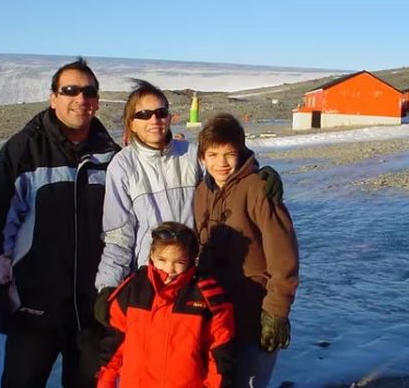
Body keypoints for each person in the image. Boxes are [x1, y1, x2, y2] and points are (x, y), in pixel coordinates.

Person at [0, 57, 120, 387]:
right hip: (34, 308)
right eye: (70, 90)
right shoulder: (23, 150)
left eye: (89, 92)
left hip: (92, 311)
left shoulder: (111, 156)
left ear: (97, 101)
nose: (80, 98)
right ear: (53, 97)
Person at [93, 79, 282, 317]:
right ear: (131, 122)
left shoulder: (190, 154)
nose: (154, 119)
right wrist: (107, 286)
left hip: (195, 279)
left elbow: (226, 178)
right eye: (144, 114)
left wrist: (255, 172)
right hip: (152, 279)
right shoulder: (122, 166)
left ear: (169, 117)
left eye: (161, 112)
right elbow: (119, 238)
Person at [194, 113, 299, 388]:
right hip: (215, 314)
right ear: (202, 157)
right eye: (213, 155)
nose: (221, 163)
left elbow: (283, 256)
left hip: (253, 311)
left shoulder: (259, 189)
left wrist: (276, 311)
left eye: (229, 154)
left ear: (240, 153)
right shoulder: (202, 192)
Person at [97, 221, 234, 388]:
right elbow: (115, 343)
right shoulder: (134, 288)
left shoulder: (206, 295)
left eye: (179, 262)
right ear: (152, 255)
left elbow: (219, 350)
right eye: (162, 260)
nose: (170, 269)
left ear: (191, 259)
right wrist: (106, 381)